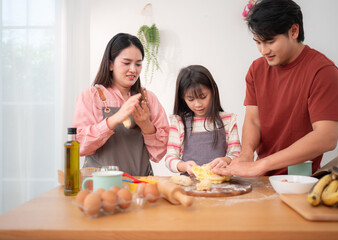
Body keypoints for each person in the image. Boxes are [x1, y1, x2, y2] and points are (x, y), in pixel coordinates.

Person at [214, 0, 338, 177]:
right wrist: (246, 155)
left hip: (300, 179)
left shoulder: (323, 71)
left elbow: (326, 137)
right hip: (262, 178)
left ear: (294, 31)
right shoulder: (256, 69)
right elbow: (254, 120)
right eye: (258, 42)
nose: (263, 50)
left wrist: (261, 164)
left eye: (269, 41)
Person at [72, 33, 169, 176]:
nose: (133, 70)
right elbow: (79, 146)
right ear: (110, 64)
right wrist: (114, 119)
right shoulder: (90, 96)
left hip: (140, 185)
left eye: (138, 63)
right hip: (100, 187)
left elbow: (159, 153)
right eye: (126, 63)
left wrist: (146, 125)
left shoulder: (148, 99)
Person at [165, 65, 241, 175]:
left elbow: (237, 154)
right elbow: (169, 159)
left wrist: (226, 160)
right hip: (189, 186)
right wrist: (184, 166)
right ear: (183, 97)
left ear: (213, 91)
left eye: (203, 97)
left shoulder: (227, 121)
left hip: (220, 185)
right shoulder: (179, 123)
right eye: (190, 99)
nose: (198, 104)